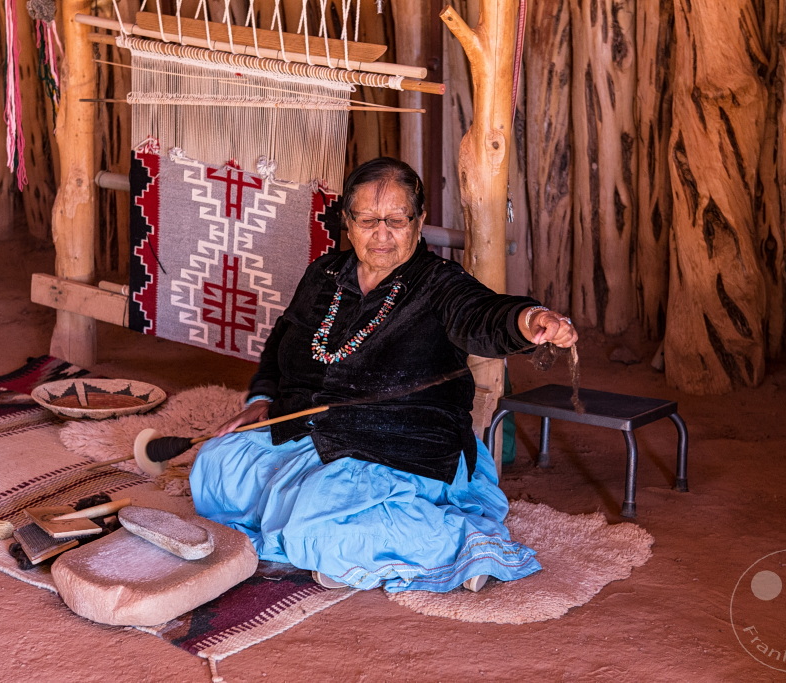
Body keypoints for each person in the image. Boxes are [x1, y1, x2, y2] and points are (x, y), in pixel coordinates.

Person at [189, 157, 578, 593]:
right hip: (316, 430)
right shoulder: (325, 274)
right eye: (368, 220)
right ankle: (350, 542)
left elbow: (482, 314)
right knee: (216, 467)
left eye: (396, 220)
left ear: (419, 221)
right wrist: (262, 399)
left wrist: (530, 320)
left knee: (314, 525)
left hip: (402, 445)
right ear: (348, 222)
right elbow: (283, 341)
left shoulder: (439, 283)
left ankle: (463, 543)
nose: (381, 235)